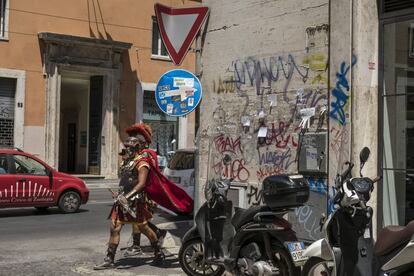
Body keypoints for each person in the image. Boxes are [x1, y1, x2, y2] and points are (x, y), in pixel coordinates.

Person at [94, 123, 166, 270]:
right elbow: (125, 181)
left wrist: (127, 196)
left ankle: (158, 252)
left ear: (137, 147)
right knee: (115, 227)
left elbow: (141, 184)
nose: (126, 149)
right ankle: (109, 259)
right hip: (121, 201)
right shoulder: (127, 161)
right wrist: (120, 194)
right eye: (126, 146)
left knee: (144, 228)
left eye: (130, 147)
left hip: (135, 202)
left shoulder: (142, 163)